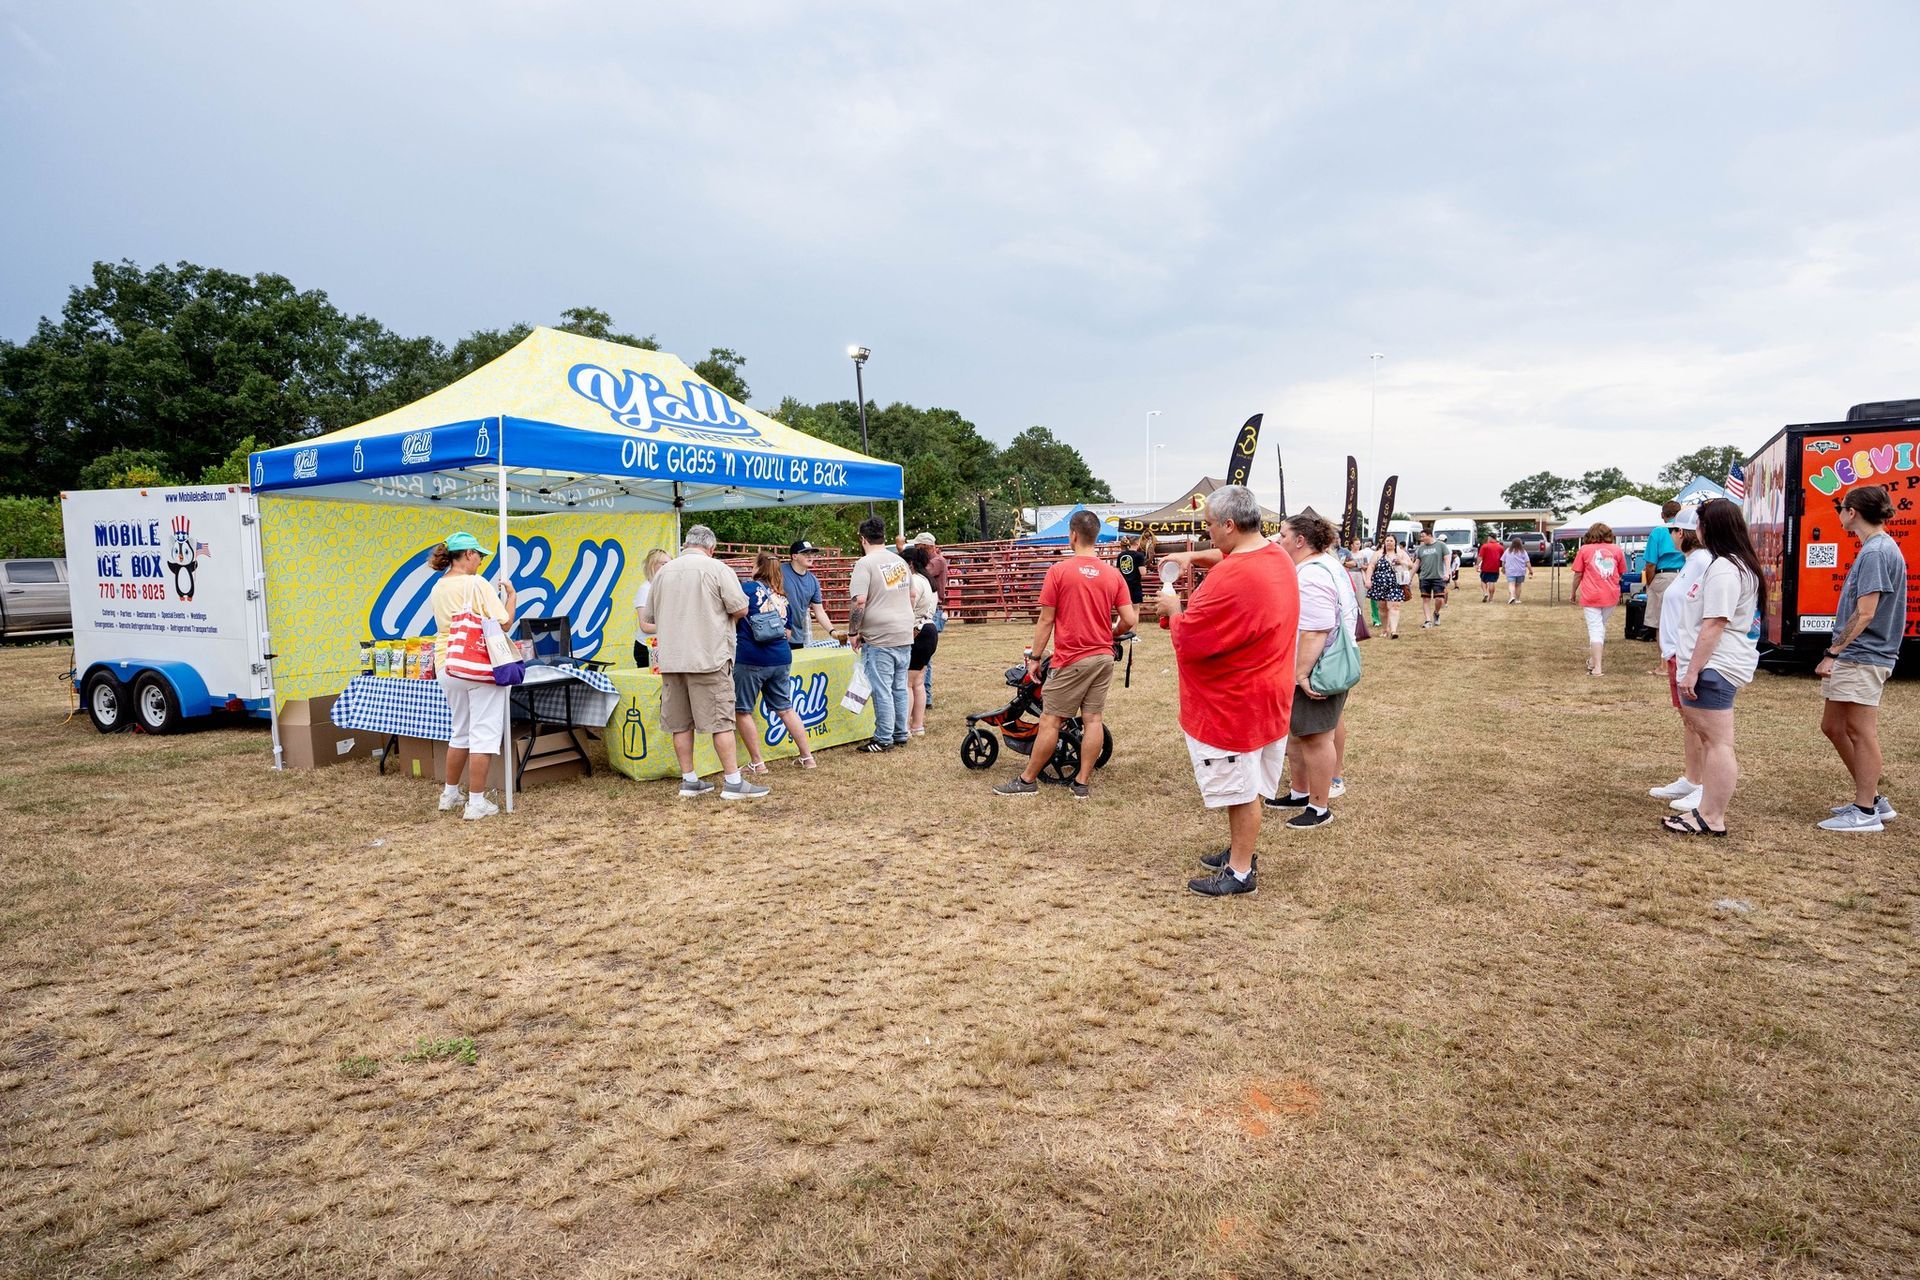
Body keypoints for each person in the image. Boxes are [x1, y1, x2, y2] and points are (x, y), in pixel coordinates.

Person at [1155, 485, 1299, 897]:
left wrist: (1173, 611)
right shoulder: (1277, 557)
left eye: (1210, 527)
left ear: (1230, 525)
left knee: (1240, 789)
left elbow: (1193, 640)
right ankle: (1241, 850)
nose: (1208, 534)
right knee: (1247, 781)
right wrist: (1191, 557)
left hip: (1233, 703)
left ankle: (1240, 872)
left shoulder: (1230, 578)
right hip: (1268, 693)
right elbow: (1231, 556)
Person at [993, 510, 1136, 799]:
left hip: (1071, 658)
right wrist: (1112, 633)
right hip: (1103, 657)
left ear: (1072, 535)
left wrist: (1034, 657)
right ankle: (1081, 782)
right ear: (1095, 536)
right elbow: (1130, 619)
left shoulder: (1058, 571)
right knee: (1093, 719)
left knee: (1051, 720)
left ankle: (1027, 780)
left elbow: (1046, 620)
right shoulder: (1112, 574)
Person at [1660, 499, 1764, 837]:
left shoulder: (1724, 568)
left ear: (1711, 527)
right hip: (1713, 665)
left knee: (1718, 743)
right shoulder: (1732, 564)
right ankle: (1706, 811)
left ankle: (1711, 816)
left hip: (1714, 667)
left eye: (1699, 523)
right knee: (1711, 740)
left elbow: (1715, 623)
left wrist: (1692, 671)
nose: (1695, 529)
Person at [649, 525, 768, 800]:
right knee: (721, 722)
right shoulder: (717, 569)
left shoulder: (663, 572)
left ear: (686, 544)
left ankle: (689, 780)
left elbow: (651, 616)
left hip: (671, 659)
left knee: (679, 723)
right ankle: (733, 782)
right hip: (708, 656)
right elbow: (740, 608)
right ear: (711, 548)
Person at [1815, 485, 1907, 832]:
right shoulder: (1877, 548)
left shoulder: (1876, 552)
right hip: (1858, 654)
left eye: (1841, 507)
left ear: (1852, 512)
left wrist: (1833, 652)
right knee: (1833, 726)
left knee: (1860, 731)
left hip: (1864, 655)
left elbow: (1866, 612)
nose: (1839, 513)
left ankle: (1866, 811)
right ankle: (1874, 800)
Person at [1264, 512, 1359, 828]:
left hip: (1318, 667)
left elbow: (1316, 630)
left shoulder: (1311, 575)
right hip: (1320, 663)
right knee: (1299, 734)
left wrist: (1301, 673)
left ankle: (1319, 807)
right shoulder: (1323, 566)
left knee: (1317, 738)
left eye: (1283, 535)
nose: (1278, 541)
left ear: (1299, 540)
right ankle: (1299, 792)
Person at [429, 532, 517, 820]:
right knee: (484, 734)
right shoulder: (477, 583)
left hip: (447, 662)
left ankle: (450, 794)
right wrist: (512, 596)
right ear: (467, 554)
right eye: (479, 554)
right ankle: (476, 802)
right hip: (478, 664)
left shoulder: (438, 587)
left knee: (461, 730)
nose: (481, 560)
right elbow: (504, 624)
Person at [1649, 508, 1710, 812]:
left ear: (1683, 533)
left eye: (1673, 530)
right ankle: (1692, 777)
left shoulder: (1702, 562)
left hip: (1687, 653)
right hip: (1677, 653)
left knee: (1700, 721)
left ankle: (1704, 786)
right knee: (1688, 719)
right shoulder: (1691, 562)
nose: (1669, 534)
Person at [733, 552, 817, 773]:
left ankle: (758, 763)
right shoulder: (782, 597)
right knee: (786, 709)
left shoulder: (746, 590)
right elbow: (788, 634)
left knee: (742, 711)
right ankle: (808, 757)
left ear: (757, 568)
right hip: (781, 656)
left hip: (751, 657)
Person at [849, 516, 915, 753]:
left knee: (881, 687)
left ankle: (883, 737)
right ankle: (900, 731)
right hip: (903, 630)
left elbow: (859, 602)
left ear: (863, 539)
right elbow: (912, 595)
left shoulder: (864, 564)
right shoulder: (899, 562)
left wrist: (853, 632)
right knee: (899, 685)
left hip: (880, 634)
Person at [1570, 523, 1626, 676]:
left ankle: (1597, 668)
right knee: (1600, 627)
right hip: (1611, 595)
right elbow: (1621, 572)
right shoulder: (1616, 550)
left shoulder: (1584, 550)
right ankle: (1593, 661)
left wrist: (1573, 592)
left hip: (1591, 596)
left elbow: (1578, 574)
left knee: (1595, 629)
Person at [901, 543, 940, 737]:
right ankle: (918, 725)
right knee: (918, 682)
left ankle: (906, 727)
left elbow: (910, 605)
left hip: (917, 630)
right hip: (930, 629)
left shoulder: (914, 581)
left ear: (910, 564)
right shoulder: (929, 580)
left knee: (908, 683)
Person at [1642, 502, 1688, 643]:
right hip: (1685, 575)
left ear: (1662, 515)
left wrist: (1650, 584)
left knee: (1662, 622)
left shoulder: (1658, 531)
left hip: (1663, 577)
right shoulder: (1686, 530)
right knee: (1682, 620)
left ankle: (1664, 662)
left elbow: (1650, 564)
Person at [781, 540, 840, 648]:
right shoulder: (779, 571)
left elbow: (819, 611)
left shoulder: (813, 581)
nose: (810, 557)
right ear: (794, 556)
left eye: (812, 554)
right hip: (777, 634)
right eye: (805, 553)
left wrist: (832, 631)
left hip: (797, 636)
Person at [913, 532, 949, 708]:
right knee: (924, 656)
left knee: (924, 657)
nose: (916, 552)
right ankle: (924, 695)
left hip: (930, 611)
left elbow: (923, 571)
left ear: (925, 547)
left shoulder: (937, 562)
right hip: (931, 610)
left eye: (918, 548)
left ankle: (925, 696)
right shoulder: (938, 560)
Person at [631, 547, 669, 667]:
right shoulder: (645, 589)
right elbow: (645, 626)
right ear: (652, 565)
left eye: (670, 563)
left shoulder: (666, 588)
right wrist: (672, 626)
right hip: (648, 648)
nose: (668, 567)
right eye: (664, 564)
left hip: (664, 647)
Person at [1366, 534, 1409, 639]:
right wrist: (1368, 580)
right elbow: (1371, 566)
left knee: (1394, 606)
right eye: (1387, 541)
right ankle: (1385, 629)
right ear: (1384, 542)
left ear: (1395, 542)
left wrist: (1401, 562)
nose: (1389, 542)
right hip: (1379, 584)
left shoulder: (1401, 553)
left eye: (1391, 541)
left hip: (1395, 584)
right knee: (1382, 608)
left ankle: (1394, 631)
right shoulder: (1378, 554)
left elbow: (1410, 564)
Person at [1415, 531, 1449, 628]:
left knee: (1439, 599)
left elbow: (1447, 559)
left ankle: (1436, 613)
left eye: (1423, 536)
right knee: (1426, 599)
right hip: (1424, 577)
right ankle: (1428, 621)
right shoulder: (1420, 549)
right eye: (1420, 537)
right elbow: (1417, 563)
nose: (1421, 538)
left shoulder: (1441, 545)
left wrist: (1447, 572)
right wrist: (1410, 575)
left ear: (1429, 536)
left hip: (1438, 576)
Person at [1115, 534, 1147, 612]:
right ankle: (1134, 624)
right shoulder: (1139, 555)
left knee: (1124, 609)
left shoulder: (1121, 555)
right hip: (1135, 585)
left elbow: (1117, 571)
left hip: (1123, 585)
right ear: (1137, 543)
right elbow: (1143, 572)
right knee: (1135, 610)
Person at [1501, 537, 1531, 604]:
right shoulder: (1523, 551)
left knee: (1511, 584)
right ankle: (1517, 599)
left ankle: (1512, 596)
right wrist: (1530, 570)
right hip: (1521, 571)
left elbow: (1503, 561)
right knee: (1518, 585)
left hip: (1510, 571)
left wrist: (1503, 568)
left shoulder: (1508, 550)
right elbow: (1527, 562)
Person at [1477, 532, 1504, 603]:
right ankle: (1491, 598)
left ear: (1490, 538)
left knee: (1483, 581)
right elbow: (1503, 558)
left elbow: (1480, 557)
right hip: (1495, 567)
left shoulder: (1485, 546)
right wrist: (1503, 567)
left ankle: (1485, 593)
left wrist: (1477, 564)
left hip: (1485, 567)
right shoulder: (1500, 547)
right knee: (1492, 582)